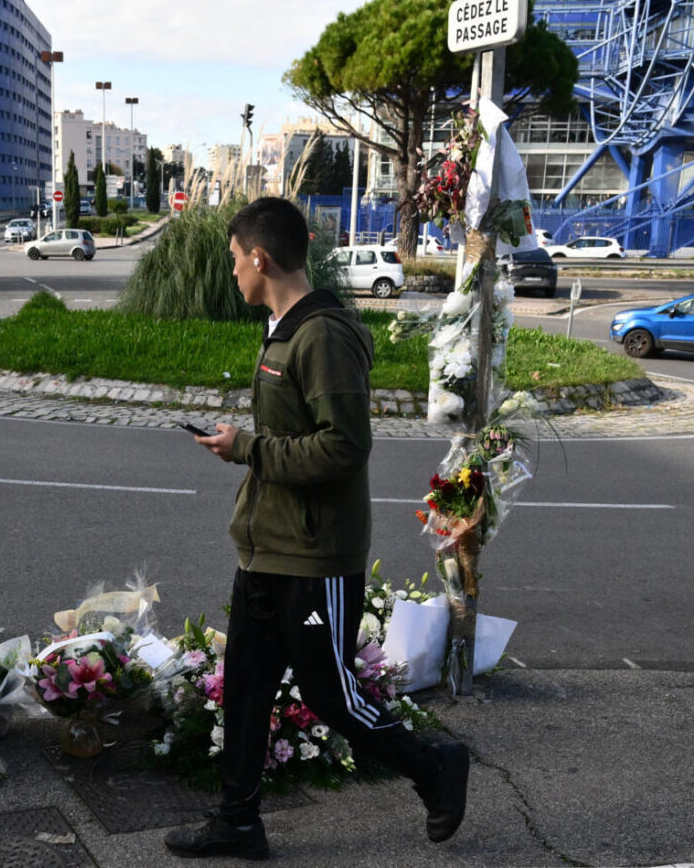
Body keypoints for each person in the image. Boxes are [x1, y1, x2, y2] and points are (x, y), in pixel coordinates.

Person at [164, 197, 469, 861]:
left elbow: (344, 448)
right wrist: (243, 443)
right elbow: (294, 433)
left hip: (314, 559)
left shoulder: (323, 335)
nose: (232, 272)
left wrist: (246, 448)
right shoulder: (286, 328)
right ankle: (238, 822)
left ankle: (434, 766)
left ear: (259, 257)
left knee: (331, 694)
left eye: (233, 259)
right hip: (267, 547)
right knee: (244, 688)